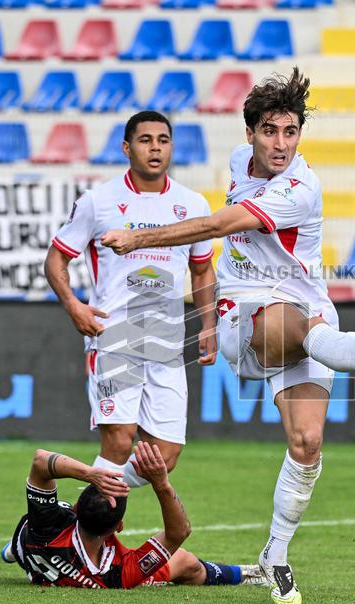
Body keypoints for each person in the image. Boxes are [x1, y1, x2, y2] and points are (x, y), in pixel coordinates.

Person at [100, 68, 355, 604]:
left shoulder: (300, 188)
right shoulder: (237, 161)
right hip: (245, 313)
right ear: (250, 132)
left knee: (307, 444)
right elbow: (219, 229)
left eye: (291, 131)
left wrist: (138, 237)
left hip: (308, 308)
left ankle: (274, 556)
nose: (281, 143)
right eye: (271, 131)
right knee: (289, 325)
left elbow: (213, 226)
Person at [44, 110, 217, 487]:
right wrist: (74, 305)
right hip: (114, 335)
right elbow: (56, 257)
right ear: (126, 147)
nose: (155, 148)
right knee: (119, 440)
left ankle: (73, 518)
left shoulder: (193, 205)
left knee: (164, 456)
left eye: (163, 140)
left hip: (166, 341)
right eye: (145, 140)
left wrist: (208, 324)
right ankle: (90, 538)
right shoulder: (99, 200)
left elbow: (202, 270)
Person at [2, 442, 267, 589]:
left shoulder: (48, 525)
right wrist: (161, 483)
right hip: (49, 565)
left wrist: (89, 473)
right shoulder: (118, 574)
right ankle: (245, 575)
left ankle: (13, 550)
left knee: (37, 527)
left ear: (76, 511)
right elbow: (179, 534)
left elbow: (40, 460)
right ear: (119, 527)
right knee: (185, 562)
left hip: (30, 543)